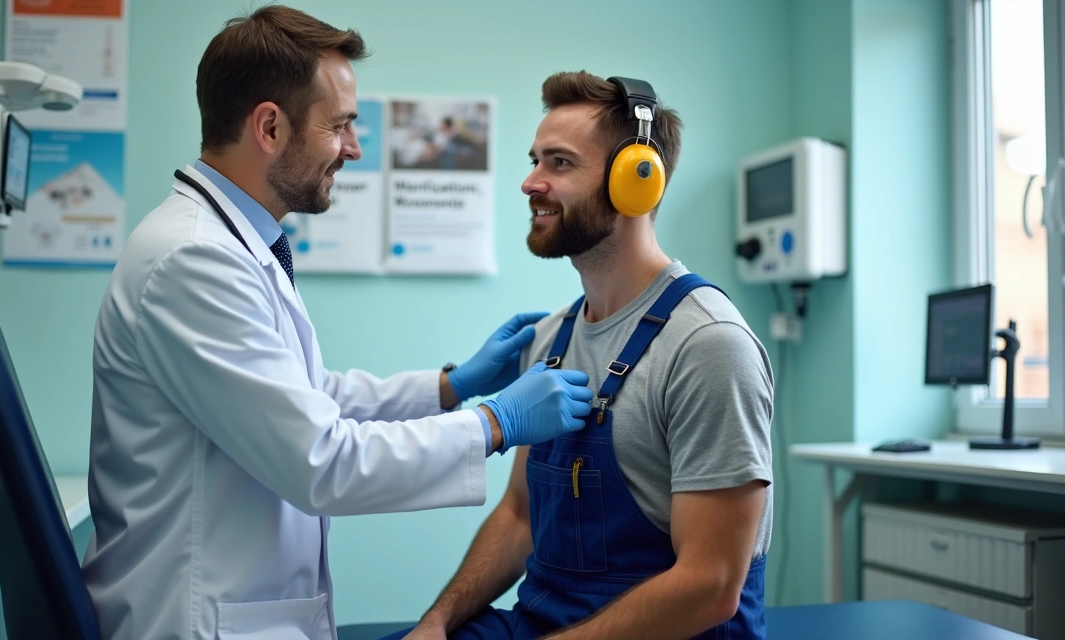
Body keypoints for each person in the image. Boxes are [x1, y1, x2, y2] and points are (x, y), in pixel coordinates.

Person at [81, 9, 594, 640]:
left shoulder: (231, 245)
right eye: (341, 125)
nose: (353, 147)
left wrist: (453, 385)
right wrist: (495, 422)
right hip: (191, 620)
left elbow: (309, 397)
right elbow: (320, 460)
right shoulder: (194, 261)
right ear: (269, 126)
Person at [386, 72, 774, 640]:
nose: (529, 183)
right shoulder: (552, 337)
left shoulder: (708, 346)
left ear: (637, 181)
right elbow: (519, 515)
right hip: (540, 623)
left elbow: (712, 584)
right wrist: (436, 623)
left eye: (559, 164)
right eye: (534, 160)